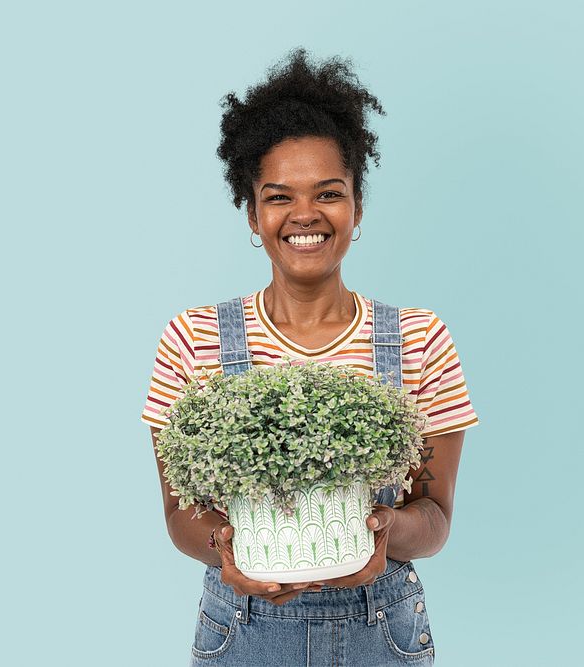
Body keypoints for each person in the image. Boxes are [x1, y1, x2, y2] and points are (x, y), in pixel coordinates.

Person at [141, 47, 480, 666]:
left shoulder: (419, 338)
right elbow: (177, 513)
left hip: (382, 629)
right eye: (278, 197)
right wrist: (227, 546)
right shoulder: (193, 339)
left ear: (357, 206)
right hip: (243, 631)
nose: (304, 216)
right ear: (251, 212)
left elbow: (434, 517)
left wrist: (382, 535)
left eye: (328, 192)